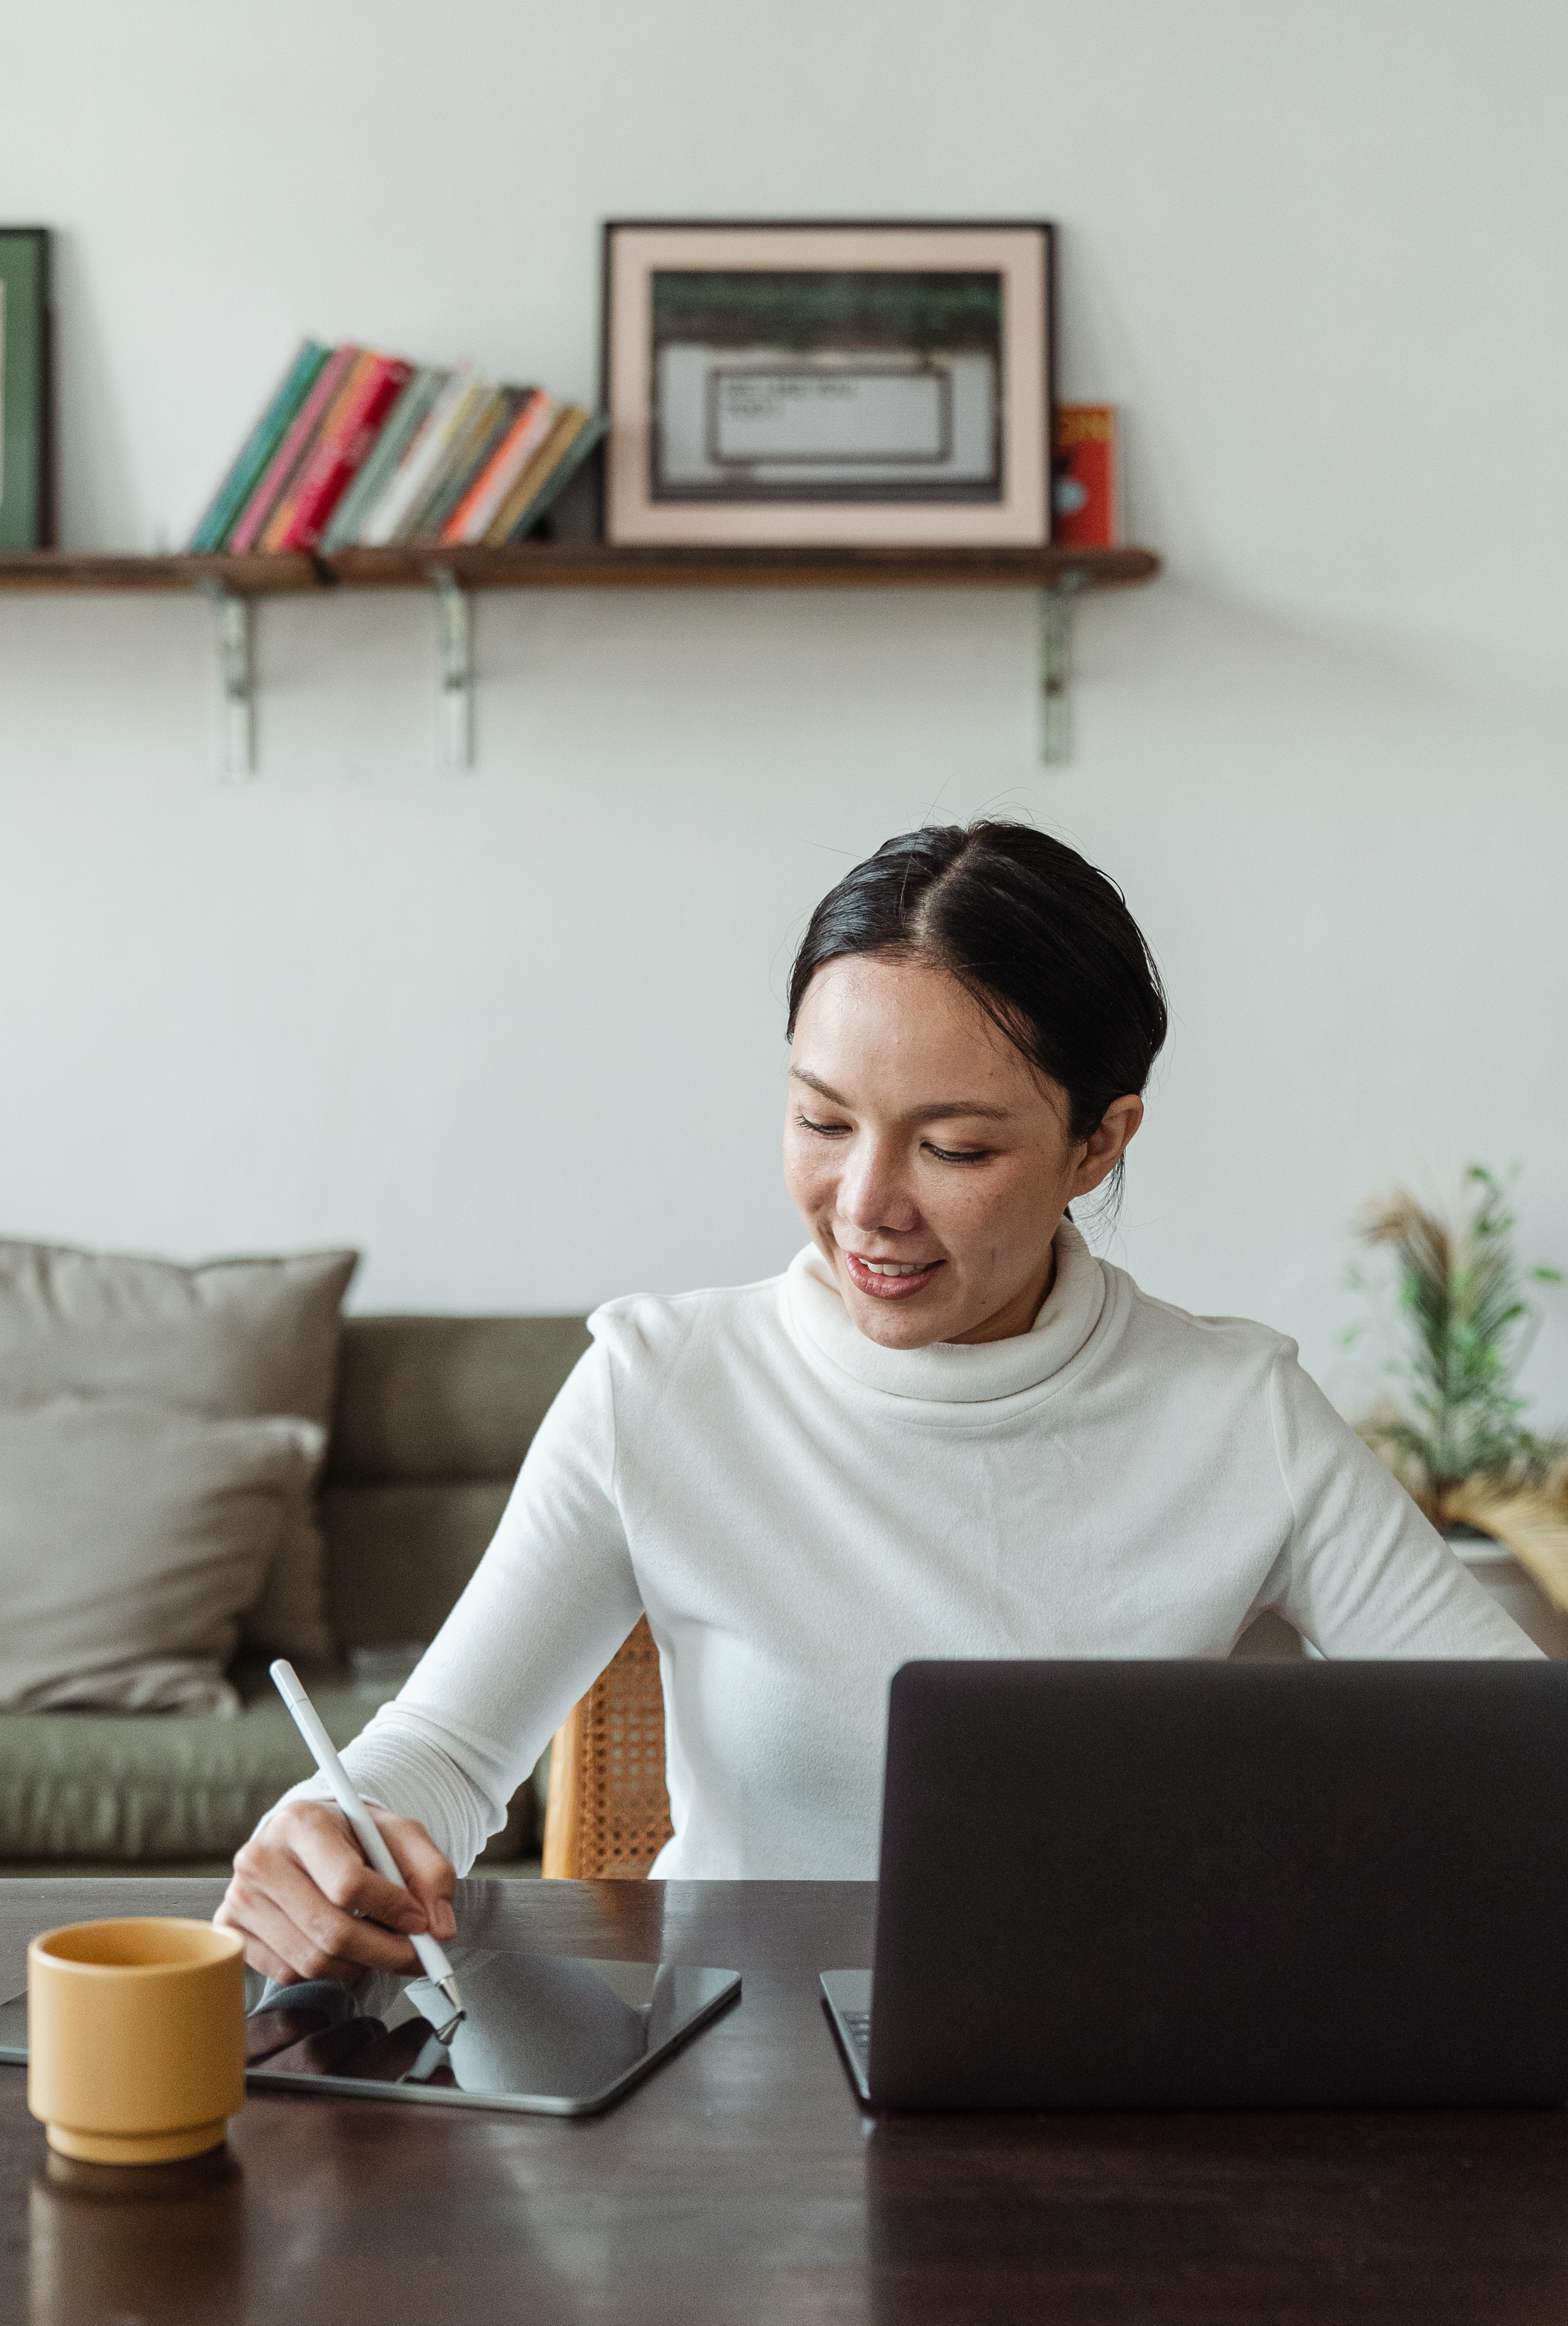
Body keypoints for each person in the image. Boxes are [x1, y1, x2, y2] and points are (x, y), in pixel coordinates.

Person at [216, 820, 1534, 1984]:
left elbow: (1519, 1764)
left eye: (954, 1147)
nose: (866, 1204)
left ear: (1099, 1141)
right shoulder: (659, 1386)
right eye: (822, 1119)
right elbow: (441, 1754)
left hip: (1119, 2102)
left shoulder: (1239, 1414)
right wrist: (326, 1831)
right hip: (736, 2116)